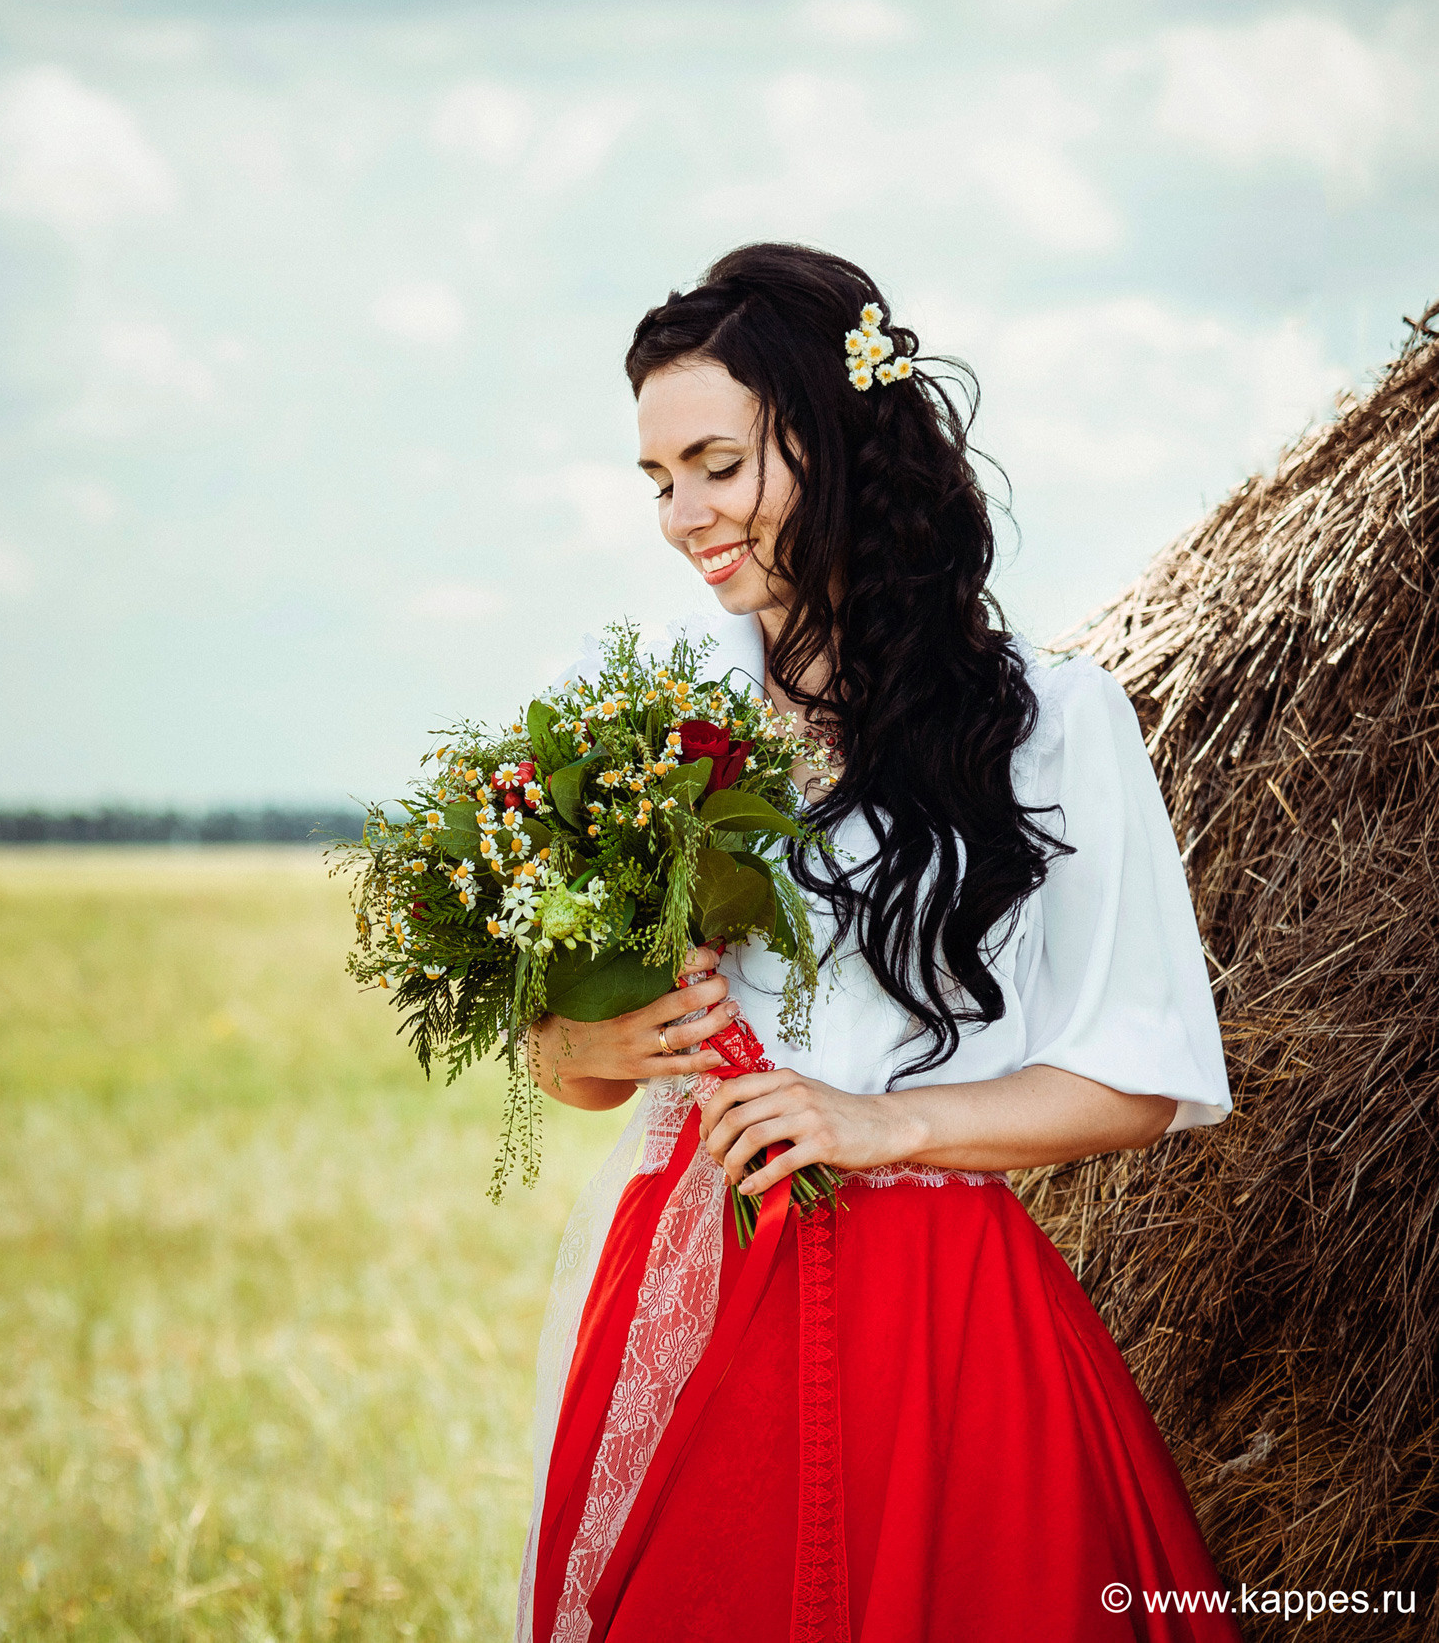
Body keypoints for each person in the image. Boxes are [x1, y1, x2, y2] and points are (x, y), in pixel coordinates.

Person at [515, 246, 1240, 1642]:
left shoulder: (1056, 721)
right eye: (658, 480)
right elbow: (570, 1058)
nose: (681, 514)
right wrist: (596, 1042)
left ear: (833, 438)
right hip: (690, 1293)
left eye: (716, 465)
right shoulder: (643, 722)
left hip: (938, 1317)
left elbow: (1140, 1080)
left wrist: (871, 1123)